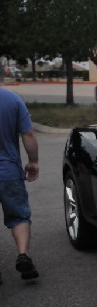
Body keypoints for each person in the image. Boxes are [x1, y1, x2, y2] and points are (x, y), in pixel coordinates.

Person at [0, 86, 39, 284]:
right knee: (18, 216)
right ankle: (23, 255)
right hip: (9, 172)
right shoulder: (12, 99)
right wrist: (33, 162)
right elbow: (28, 134)